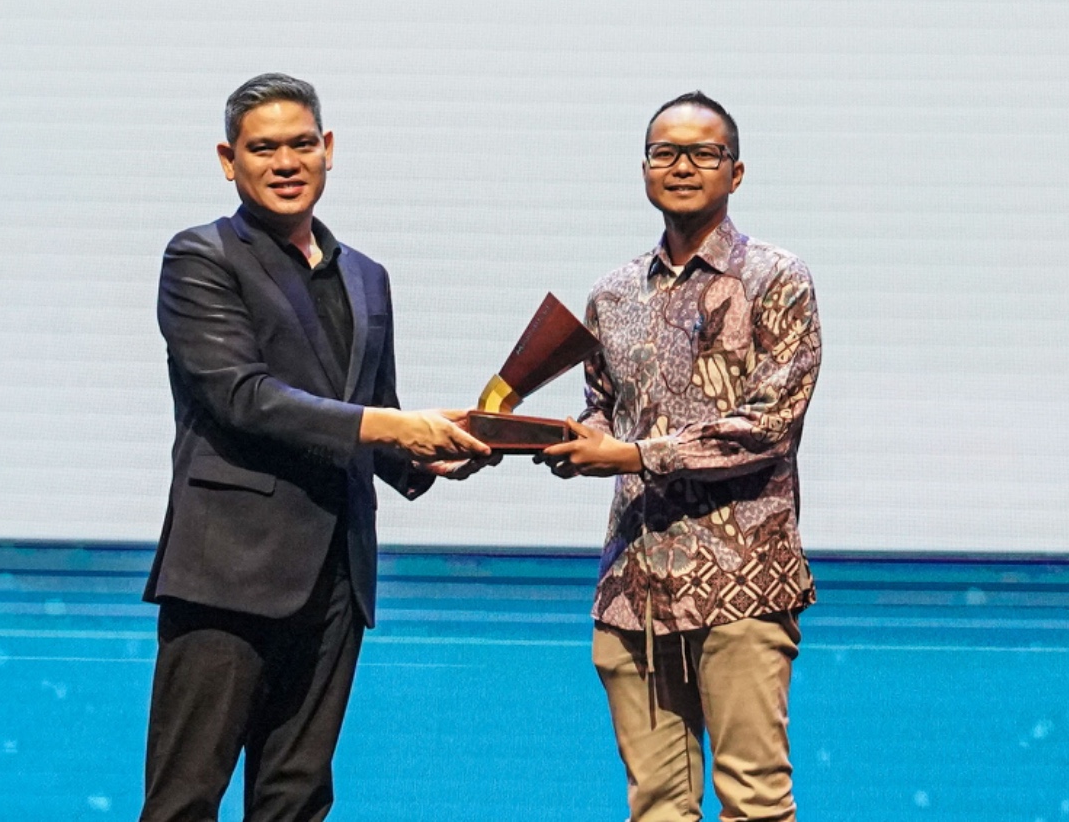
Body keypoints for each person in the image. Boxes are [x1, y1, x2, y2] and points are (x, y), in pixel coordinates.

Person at [140, 72, 491, 822]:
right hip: (227, 571)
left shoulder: (366, 276)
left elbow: (374, 415)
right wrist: (393, 427)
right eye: (263, 148)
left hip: (336, 576)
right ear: (228, 160)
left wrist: (434, 453)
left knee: (296, 800)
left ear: (328, 149)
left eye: (301, 144)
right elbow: (243, 396)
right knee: (184, 800)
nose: (285, 162)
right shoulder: (200, 258)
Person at [542, 91, 822, 822]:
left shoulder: (777, 278)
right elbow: (603, 408)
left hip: (741, 583)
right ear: (644, 169)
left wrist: (632, 454)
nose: (682, 166)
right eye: (665, 152)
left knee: (755, 801)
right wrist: (554, 440)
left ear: (736, 172)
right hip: (634, 589)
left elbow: (769, 424)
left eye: (703, 153)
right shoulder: (612, 294)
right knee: (657, 808)